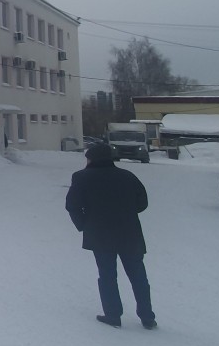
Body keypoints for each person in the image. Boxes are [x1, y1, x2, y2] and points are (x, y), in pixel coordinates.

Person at [65, 141, 157, 329]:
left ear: (92, 159)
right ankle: (147, 317)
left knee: (107, 275)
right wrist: (127, 212)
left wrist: (83, 225)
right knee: (138, 276)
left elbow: (72, 206)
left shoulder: (81, 177)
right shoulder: (127, 176)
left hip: (99, 235)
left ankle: (113, 315)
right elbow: (142, 203)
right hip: (130, 233)